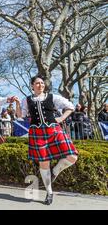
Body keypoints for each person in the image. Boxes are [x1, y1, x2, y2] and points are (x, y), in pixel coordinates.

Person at [14, 74, 78, 205]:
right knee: (44, 163)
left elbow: (71, 106)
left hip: (54, 130)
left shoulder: (52, 97)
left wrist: (61, 118)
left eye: (42, 83)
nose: (40, 85)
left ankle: (55, 170)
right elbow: (21, 116)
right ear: (32, 86)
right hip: (37, 132)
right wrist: (17, 104)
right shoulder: (26, 100)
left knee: (72, 157)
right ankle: (49, 193)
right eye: (37, 83)